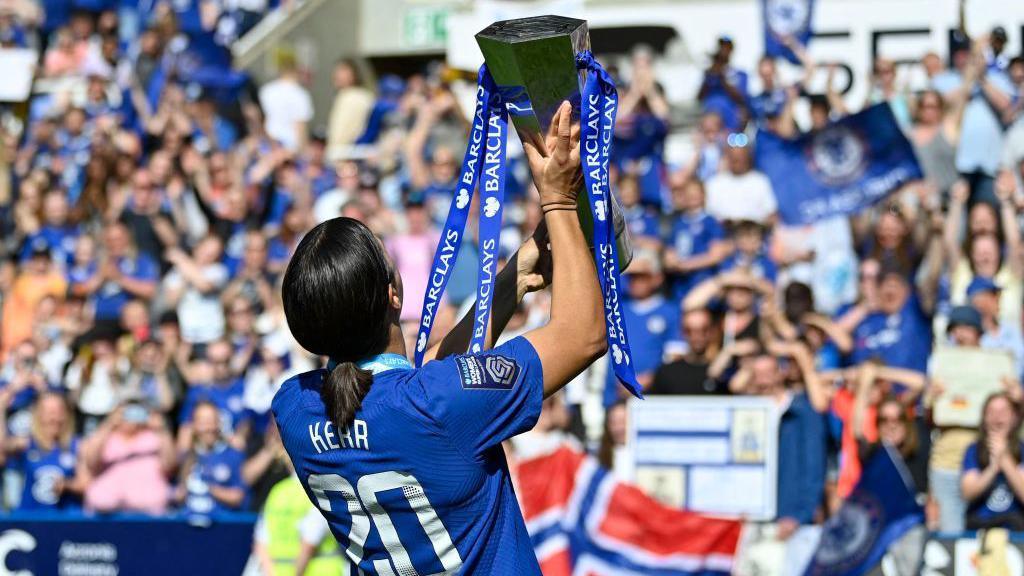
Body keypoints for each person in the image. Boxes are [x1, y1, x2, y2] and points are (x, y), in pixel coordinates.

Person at [272, 102, 608, 574]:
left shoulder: (293, 406)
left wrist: (513, 280)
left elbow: (421, 384)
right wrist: (557, 200)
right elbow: (585, 334)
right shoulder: (436, 404)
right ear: (395, 294)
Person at [0, 391, 88, 511]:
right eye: (50, 412)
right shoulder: (27, 444)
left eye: (59, 412)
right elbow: (2, 447)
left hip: (66, 519)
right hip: (31, 519)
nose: (55, 417)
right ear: (39, 415)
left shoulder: (77, 446)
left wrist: (67, 485)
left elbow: (86, 483)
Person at [961, 393, 1024, 530]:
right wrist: (993, 468)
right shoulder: (973, 450)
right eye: (991, 412)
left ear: (1014, 418)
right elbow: (968, 493)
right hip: (980, 526)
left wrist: (1005, 459)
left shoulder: (1022, 449)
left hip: (1016, 528)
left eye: (1003, 411)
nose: (997, 417)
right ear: (984, 418)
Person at [649, 308, 720, 395]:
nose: (697, 336)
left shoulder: (724, 372)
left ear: (713, 331)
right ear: (682, 332)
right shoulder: (667, 373)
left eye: (704, 330)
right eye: (689, 331)